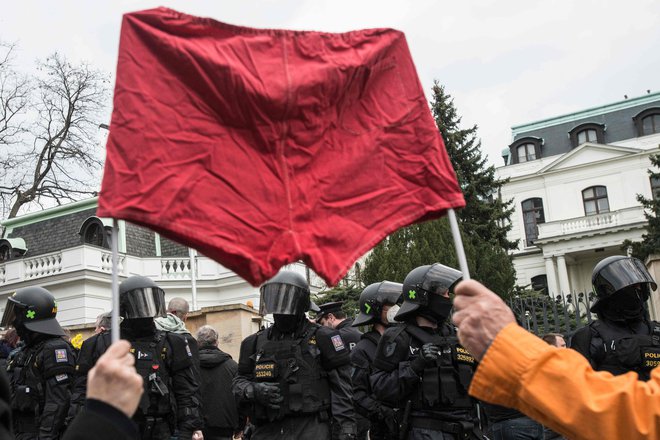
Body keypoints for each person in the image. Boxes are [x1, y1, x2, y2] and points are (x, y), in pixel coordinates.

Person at [452, 278, 660, 439]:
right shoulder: (591, 336)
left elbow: (637, 416)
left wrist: (511, 346)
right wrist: (509, 347)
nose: (636, 294)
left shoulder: (654, 331)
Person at [69, 276, 203, 439]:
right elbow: (81, 393)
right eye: (140, 301)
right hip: (113, 428)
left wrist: (187, 431)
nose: (145, 308)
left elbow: (186, 394)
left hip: (159, 429)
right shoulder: (98, 343)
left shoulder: (172, 342)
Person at [232, 270, 357, 440]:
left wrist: (346, 431)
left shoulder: (324, 338)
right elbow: (238, 382)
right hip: (267, 429)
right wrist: (253, 390)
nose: (281, 308)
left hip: (311, 427)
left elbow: (342, 391)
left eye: (285, 299)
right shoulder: (253, 343)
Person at [370, 263, 482, 439]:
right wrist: (415, 366)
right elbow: (380, 389)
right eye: (443, 293)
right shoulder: (398, 337)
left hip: (466, 429)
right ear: (425, 297)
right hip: (425, 432)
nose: (449, 297)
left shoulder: (457, 336)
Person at [1, 286, 76, 439]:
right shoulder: (24, 351)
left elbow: (57, 403)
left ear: (30, 315)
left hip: (37, 433)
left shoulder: (55, 349)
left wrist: (46, 437)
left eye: (17, 315)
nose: (14, 322)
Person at [570, 256, 659, 380]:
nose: (638, 290)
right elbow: (578, 387)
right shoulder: (588, 337)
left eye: (640, 286)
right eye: (632, 287)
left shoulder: (656, 331)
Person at [350, 281, 401, 440]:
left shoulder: (403, 341)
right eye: (390, 305)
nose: (396, 308)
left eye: (396, 303)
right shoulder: (363, 349)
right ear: (377, 310)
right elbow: (357, 394)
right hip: (383, 429)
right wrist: (384, 413)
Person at [197, 325, 243, 440]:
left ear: (198, 342)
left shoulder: (189, 366)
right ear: (217, 342)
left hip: (195, 430)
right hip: (224, 428)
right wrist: (240, 426)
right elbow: (241, 397)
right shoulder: (232, 366)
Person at [155, 297, 201, 379]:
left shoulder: (153, 331)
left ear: (168, 311)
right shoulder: (188, 340)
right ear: (185, 317)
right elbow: (194, 374)